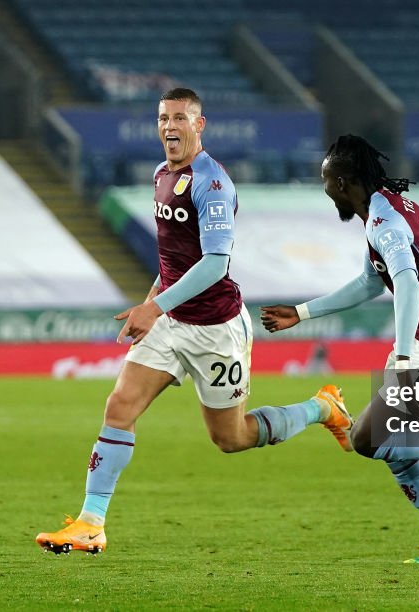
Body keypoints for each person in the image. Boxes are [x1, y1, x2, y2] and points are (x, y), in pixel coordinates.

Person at [35, 88, 353, 555]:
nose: (169, 126)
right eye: (163, 118)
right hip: (169, 321)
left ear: (199, 125)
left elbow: (214, 265)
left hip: (216, 329)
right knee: (119, 406)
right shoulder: (161, 174)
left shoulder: (213, 183)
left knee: (232, 437)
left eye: (180, 118)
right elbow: (172, 260)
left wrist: (155, 307)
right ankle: (91, 523)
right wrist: (151, 305)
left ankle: (323, 408)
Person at [261, 135, 419, 565]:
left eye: (326, 183)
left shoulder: (386, 223)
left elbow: (409, 283)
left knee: (367, 439)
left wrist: (403, 357)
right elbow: (369, 282)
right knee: (395, 451)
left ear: (342, 182)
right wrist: (301, 314)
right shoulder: (384, 209)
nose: (325, 192)